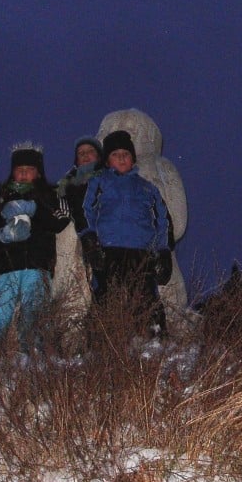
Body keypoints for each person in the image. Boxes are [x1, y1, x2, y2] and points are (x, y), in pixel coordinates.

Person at [0, 143, 71, 350]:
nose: (24, 174)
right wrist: (2, 234)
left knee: (35, 317)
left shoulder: (50, 195)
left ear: (39, 173)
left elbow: (62, 219)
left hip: (38, 267)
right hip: (4, 268)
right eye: (19, 169)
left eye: (29, 169)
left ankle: (34, 359)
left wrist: (36, 209)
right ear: (12, 172)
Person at [96, 109, 189, 331]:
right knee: (110, 301)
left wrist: (161, 245)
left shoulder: (159, 169)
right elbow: (87, 215)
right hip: (111, 252)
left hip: (149, 253)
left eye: (132, 130)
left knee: (153, 302)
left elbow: (175, 220)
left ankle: (156, 338)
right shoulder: (98, 180)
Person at [80, 130, 173, 339]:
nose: (121, 157)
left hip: (141, 253)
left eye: (126, 154)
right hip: (109, 250)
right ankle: (99, 346)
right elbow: (86, 209)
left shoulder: (147, 188)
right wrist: (89, 238)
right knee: (105, 297)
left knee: (146, 299)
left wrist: (163, 250)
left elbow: (162, 220)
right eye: (115, 154)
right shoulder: (100, 182)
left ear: (133, 158)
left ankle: (155, 344)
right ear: (107, 161)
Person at [52, 137, 104, 353]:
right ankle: (72, 346)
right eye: (81, 153)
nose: (85, 156)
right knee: (74, 291)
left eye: (90, 151)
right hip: (73, 242)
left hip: (105, 239)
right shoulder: (66, 184)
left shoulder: (108, 179)